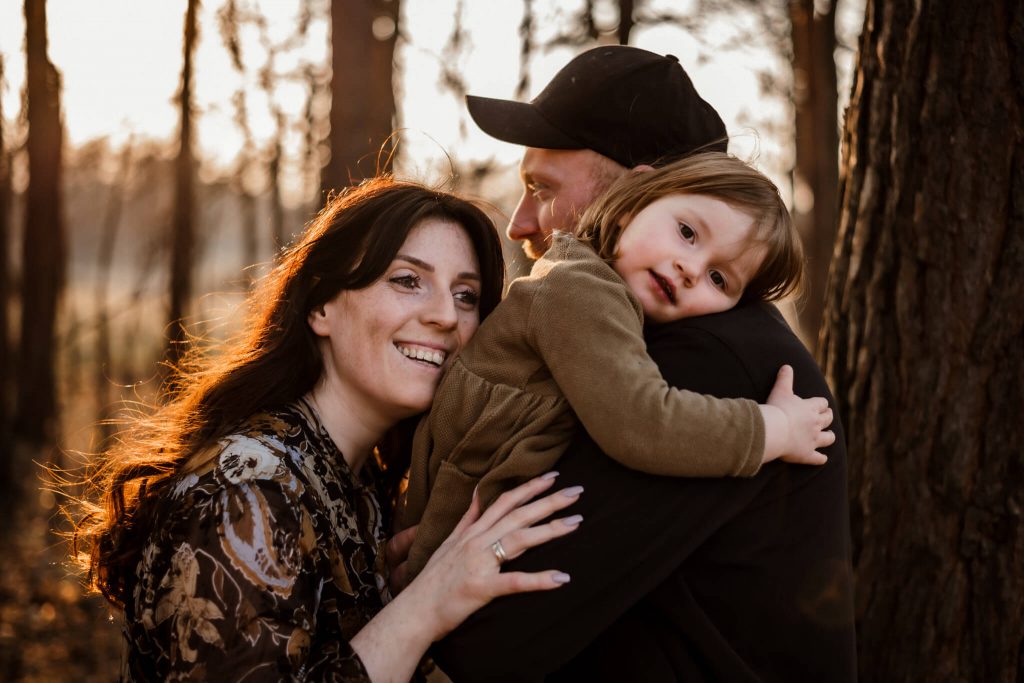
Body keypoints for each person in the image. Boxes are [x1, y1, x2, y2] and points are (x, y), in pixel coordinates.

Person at [430, 45, 857, 681]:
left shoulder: (707, 360)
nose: (520, 223)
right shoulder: (646, 329)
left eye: (540, 189)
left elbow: (495, 635)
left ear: (637, 187)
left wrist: (439, 567)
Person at [75, 179, 586, 682]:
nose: (446, 316)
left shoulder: (360, 487)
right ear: (320, 306)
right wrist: (428, 604)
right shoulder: (248, 492)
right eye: (408, 280)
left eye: (467, 295)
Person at [400, 152, 835, 580]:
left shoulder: (600, 296)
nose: (690, 268)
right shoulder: (579, 291)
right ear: (632, 205)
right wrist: (775, 428)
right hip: (445, 538)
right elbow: (643, 422)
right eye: (687, 232)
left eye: (719, 279)